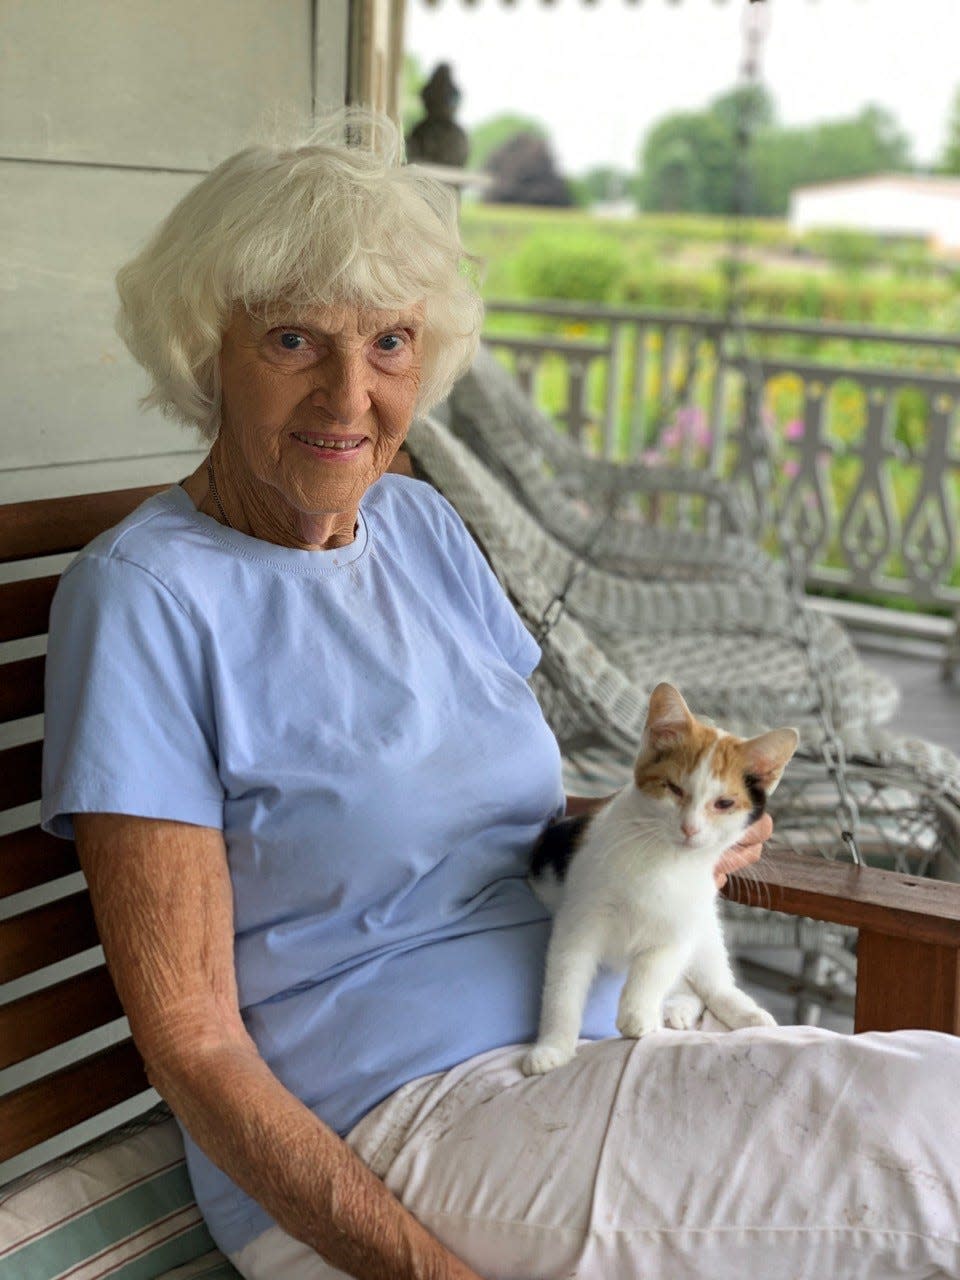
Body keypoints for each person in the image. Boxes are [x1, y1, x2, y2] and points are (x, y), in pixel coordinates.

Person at [41, 113, 960, 1280]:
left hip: (584, 1038)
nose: (348, 392)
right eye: (290, 338)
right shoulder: (146, 597)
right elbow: (192, 1037)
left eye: (388, 342)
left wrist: (657, 841)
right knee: (930, 1169)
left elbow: (485, 804)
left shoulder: (418, 524)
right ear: (203, 348)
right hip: (387, 1123)